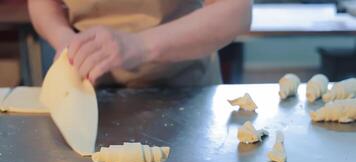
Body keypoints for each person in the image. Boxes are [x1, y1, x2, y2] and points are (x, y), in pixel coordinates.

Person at [28, 0, 251, 88]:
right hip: (85, 92)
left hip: (183, 89)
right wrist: (63, 38)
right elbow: (43, 4)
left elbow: (236, 11)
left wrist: (140, 45)